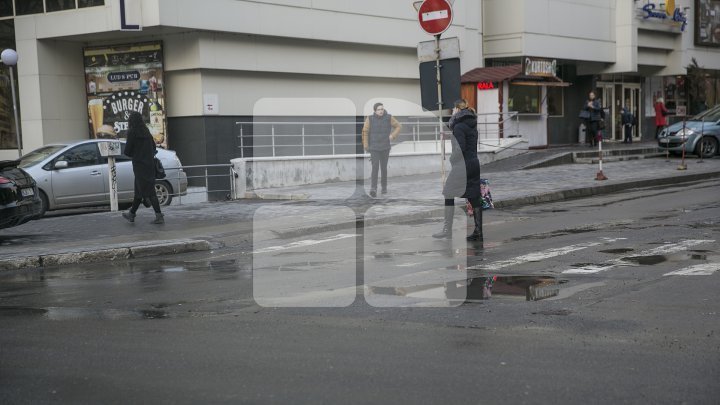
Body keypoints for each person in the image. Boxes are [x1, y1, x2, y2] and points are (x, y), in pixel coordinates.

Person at [432, 99, 483, 244]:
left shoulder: (459, 126)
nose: (452, 112)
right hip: (474, 163)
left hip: (462, 165)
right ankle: (478, 232)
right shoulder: (472, 124)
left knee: (448, 193)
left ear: (457, 110)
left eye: (453, 110)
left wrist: (452, 160)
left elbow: (460, 148)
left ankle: (447, 231)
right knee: (473, 196)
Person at [122, 112, 164, 224]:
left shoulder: (132, 132)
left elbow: (127, 151)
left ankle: (159, 216)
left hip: (139, 166)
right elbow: (154, 147)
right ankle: (132, 214)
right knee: (139, 192)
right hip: (149, 166)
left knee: (150, 192)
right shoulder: (146, 132)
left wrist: (136, 153)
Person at [362, 102, 401, 197]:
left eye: (382, 109)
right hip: (374, 148)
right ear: (375, 111)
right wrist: (366, 146)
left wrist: (393, 135)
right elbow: (365, 132)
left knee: (384, 168)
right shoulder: (370, 118)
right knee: (375, 168)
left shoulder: (389, 117)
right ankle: (373, 188)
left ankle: (384, 187)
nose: (381, 111)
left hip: (385, 147)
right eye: (379, 109)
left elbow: (398, 126)